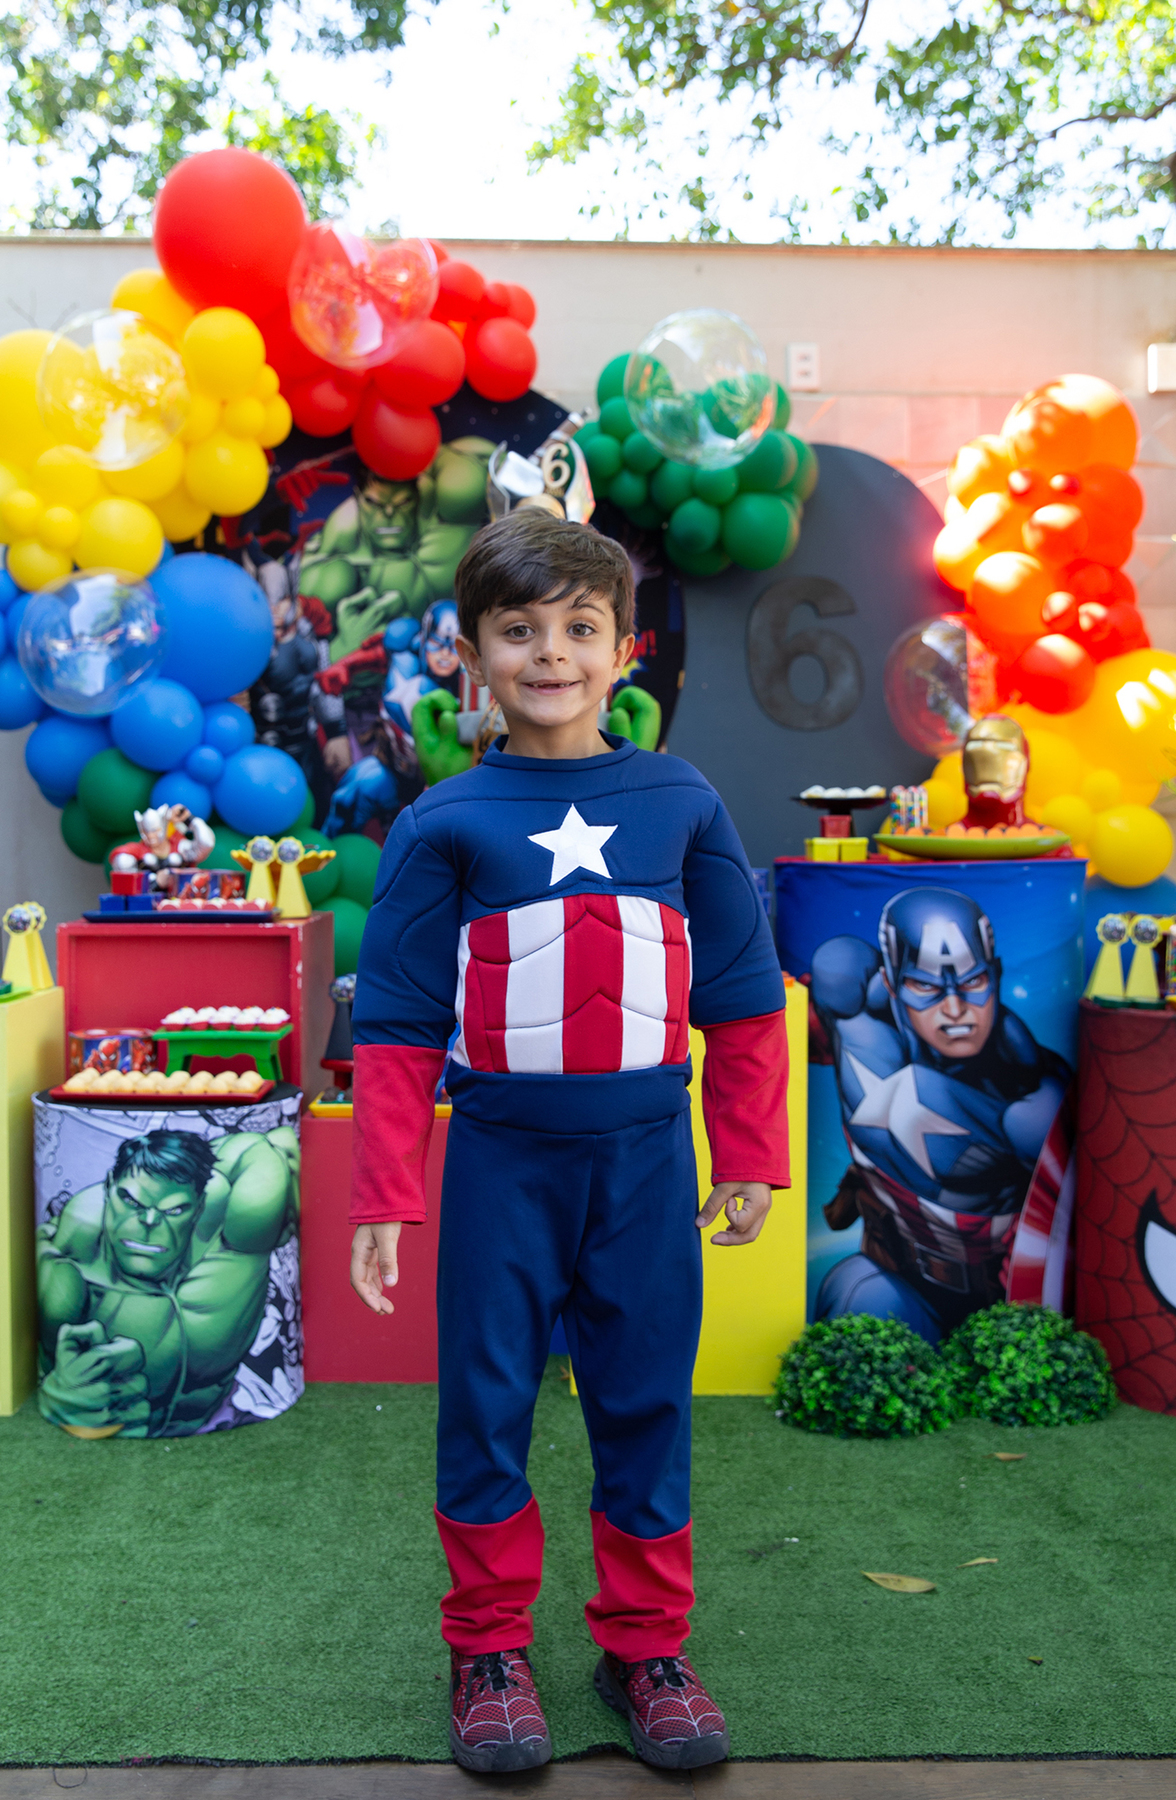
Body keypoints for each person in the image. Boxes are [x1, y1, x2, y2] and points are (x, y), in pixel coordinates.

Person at [348, 510, 790, 1774]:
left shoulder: (679, 800)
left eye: (579, 627)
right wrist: (387, 1190)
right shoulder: (444, 824)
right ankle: (486, 1649)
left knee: (645, 1401)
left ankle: (645, 1646)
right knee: (485, 1407)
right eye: (520, 629)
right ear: (473, 654)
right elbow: (394, 1024)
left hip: (647, 1163)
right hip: (501, 1164)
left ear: (625, 647)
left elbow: (745, 995)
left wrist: (747, 1150)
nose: (552, 652)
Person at [809, 886, 1071, 1343]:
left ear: (995, 976)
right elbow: (834, 975)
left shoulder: (1032, 1096)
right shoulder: (856, 1021)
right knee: (858, 1300)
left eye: (972, 983)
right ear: (892, 984)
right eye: (926, 987)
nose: (954, 1010)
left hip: (1006, 1305)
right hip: (900, 1281)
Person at [37, 1127, 300, 1437]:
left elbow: (268, 1147)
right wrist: (68, 1395)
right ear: (109, 1189)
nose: (149, 1222)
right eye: (131, 1202)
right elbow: (59, 1380)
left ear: (198, 1207)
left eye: (173, 1209)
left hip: (230, 1415)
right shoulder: (70, 1272)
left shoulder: (236, 1235)